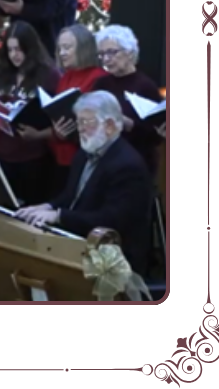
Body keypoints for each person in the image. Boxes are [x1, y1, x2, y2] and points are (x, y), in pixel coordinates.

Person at [16, 91, 154, 277]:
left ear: (110, 126)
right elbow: (71, 196)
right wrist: (46, 206)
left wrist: (58, 216)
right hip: (79, 242)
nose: (80, 129)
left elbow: (110, 222)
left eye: (86, 123)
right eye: (78, 122)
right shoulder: (83, 154)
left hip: (113, 259)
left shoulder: (127, 166)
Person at [0, 21, 60, 206]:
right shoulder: (3, 72)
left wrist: (38, 134)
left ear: (31, 48)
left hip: (33, 157)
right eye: (10, 49)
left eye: (19, 49)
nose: (14, 55)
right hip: (4, 152)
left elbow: (59, 118)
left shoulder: (49, 75)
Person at [93, 24, 164, 175]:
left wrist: (130, 125)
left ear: (130, 53)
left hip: (136, 163)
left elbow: (156, 136)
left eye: (112, 52)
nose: (106, 59)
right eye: (102, 54)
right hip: (105, 160)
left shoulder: (145, 86)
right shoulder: (101, 84)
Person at [49, 24, 108, 191]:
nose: (62, 53)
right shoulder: (66, 77)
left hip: (85, 160)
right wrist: (57, 131)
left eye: (67, 47)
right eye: (60, 48)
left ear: (84, 47)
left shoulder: (99, 78)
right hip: (60, 158)